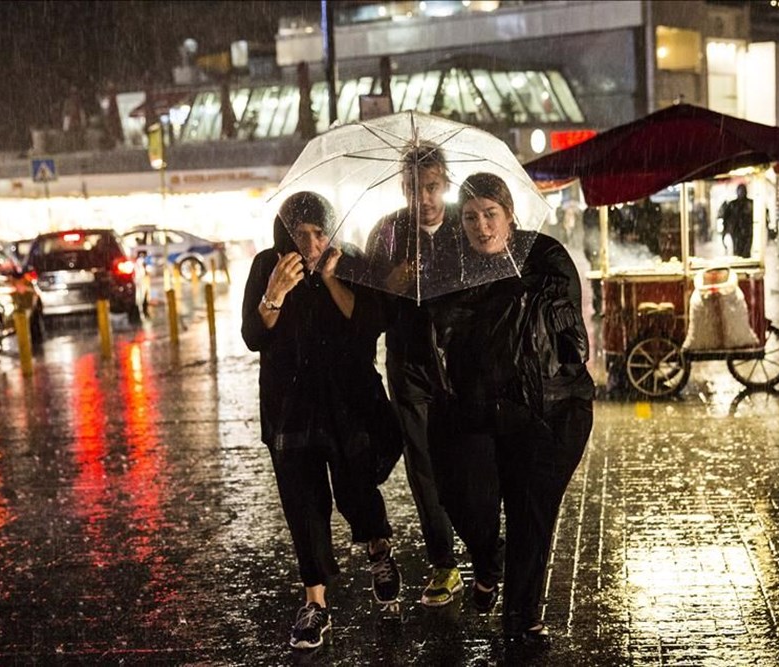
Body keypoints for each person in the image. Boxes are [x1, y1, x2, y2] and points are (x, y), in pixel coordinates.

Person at [428, 172, 595, 641]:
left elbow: (565, 337)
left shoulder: (542, 256)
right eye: (470, 217)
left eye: (490, 214)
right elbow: (444, 335)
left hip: (550, 410)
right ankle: (486, 561)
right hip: (478, 414)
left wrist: (514, 292)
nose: (482, 227)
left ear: (508, 213)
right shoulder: (451, 268)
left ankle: (522, 618)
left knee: (530, 513)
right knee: (468, 505)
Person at [242, 191, 402, 650]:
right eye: (300, 235)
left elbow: (369, 324)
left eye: (319, 233)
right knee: (303, 504)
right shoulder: (265, 267)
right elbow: (253, 337)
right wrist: (274, 294)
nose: (311, 244)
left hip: (346, 405)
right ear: (284, 236)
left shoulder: (350, 262)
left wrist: (332, 281)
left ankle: (378, 549)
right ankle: (315, 602)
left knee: (356, 488)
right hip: (290, 410)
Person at [364, 142, 465, 608]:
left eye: (431, 187)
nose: (423, 198)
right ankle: (444, 563)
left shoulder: (467, 225)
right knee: (423, 467)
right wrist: (392, 287)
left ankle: (483, 545)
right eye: (413, 188)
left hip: (462, 364)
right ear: (402, 188)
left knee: (469, 460)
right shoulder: (387, 233)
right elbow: (370, 308)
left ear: (445, 183)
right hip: (407, 365)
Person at [721, 183, 754, 257]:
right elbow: (726, 218)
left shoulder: (750, 203)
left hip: (747, 231)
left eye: (743, 191)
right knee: (737, 250)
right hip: (736, 231)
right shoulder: (732, 204)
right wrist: (726, 230)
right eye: (740, 191)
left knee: (746, 250)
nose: (741, 193)